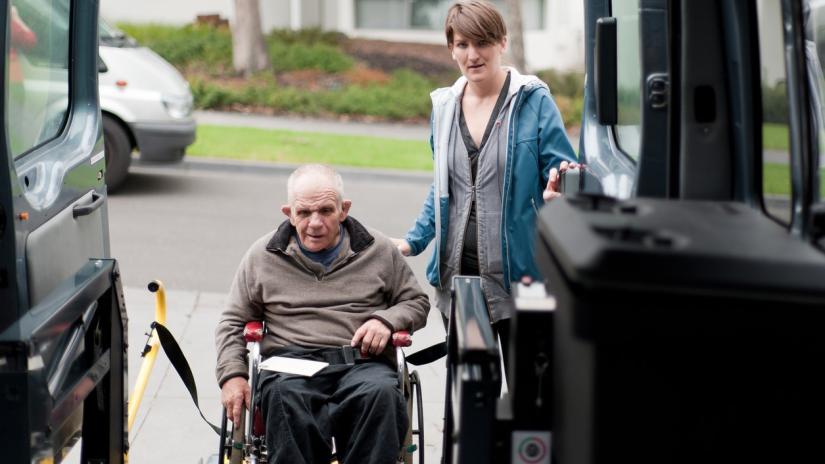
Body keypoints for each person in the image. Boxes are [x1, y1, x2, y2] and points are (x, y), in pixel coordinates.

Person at [392, 0, 577, 364]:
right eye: (462, 44)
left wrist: (560, 191)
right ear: (452, 49)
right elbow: (443, 187)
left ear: (502, 43)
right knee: (473, 399)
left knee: (529, 401)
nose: (472, 54)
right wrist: (414, 241)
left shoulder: (533, 100)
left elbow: (563, 170)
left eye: (482, 43)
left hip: (520, 278)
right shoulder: (444, 107)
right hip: (459, 278)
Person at [215, 164, 430, 464]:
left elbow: (416, 302)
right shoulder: (262, 255)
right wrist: (233, 376)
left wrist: (386, 321)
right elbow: (232, 321)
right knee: (284, 396)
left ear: (344, 210)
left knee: (381, 394)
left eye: (326, 211)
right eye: (304, 213)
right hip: (290, 364)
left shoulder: (378, 250)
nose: (315, 223)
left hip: (361, 362)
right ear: (289, 213)